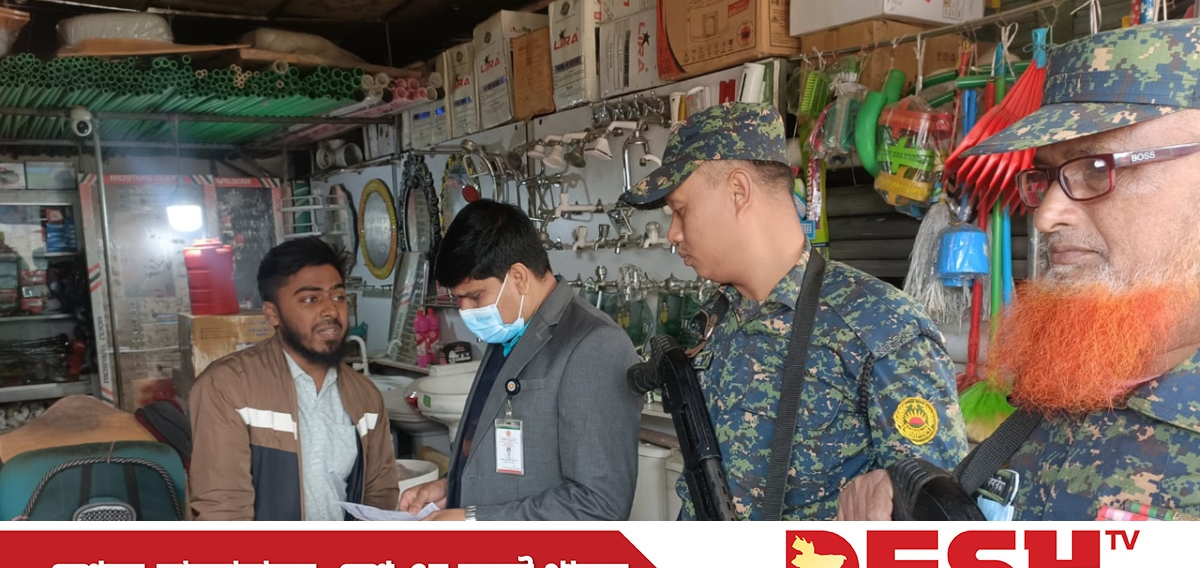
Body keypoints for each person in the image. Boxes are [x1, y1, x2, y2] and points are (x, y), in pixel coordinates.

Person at [837, 20, 1200, 521]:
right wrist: (912, 496)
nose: (1047, 216)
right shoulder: (1072, 379)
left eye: (1096, 168)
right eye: (1045, 176)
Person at [619, 102, 968, 520]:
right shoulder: (721, 316)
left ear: (738, 191)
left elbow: (935, 511)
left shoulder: (881, 326)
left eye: (680, 210)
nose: (673, 234)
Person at [399, 200, 643, 521]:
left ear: (518, 277)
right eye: (460, 299)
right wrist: (451, 489)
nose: (466, 311)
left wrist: (473, 520)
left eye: (475, 296)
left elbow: (600, 505)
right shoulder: (509, 330)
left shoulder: (594, 344)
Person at [188, 237, 398, 520]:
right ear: (272, 314)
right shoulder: (228, 386)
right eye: (311, 299)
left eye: (338, 296)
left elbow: (379, 497)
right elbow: (223, 510)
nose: (331, 310)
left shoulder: (365, 397)